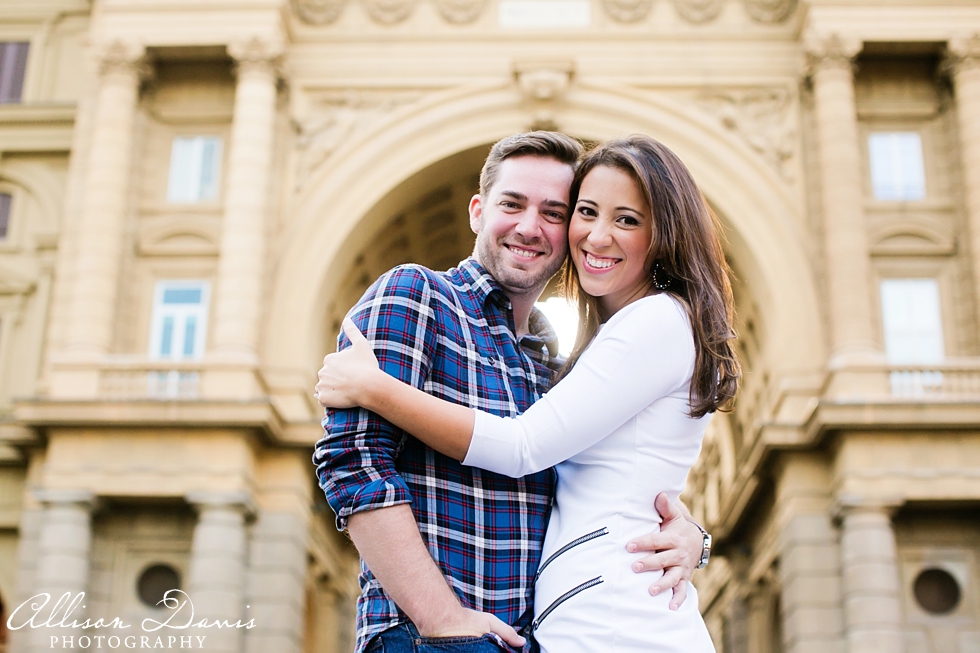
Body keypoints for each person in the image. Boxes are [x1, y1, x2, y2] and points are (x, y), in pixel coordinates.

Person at [316, 135, 740, 652]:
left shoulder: (553, 361)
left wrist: (692, 535)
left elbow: (576, 465)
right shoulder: (416, 295)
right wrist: (441, 618)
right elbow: (352, 461)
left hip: (529, 638)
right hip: (429, 637)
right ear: (477, 211)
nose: (529, 226)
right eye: (512, 204)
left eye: (554, 212)